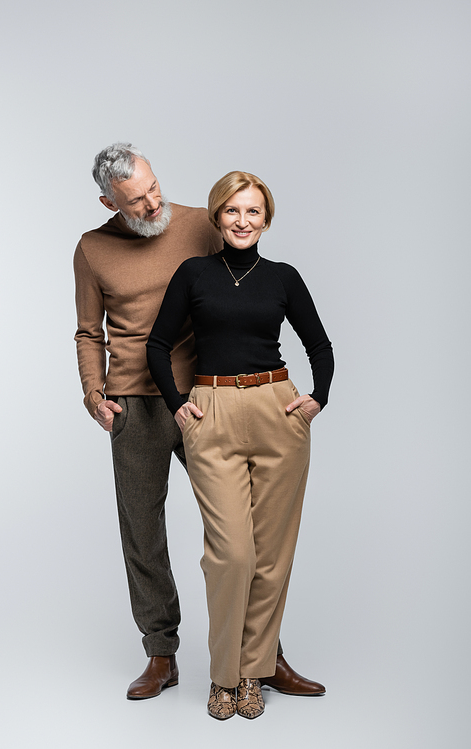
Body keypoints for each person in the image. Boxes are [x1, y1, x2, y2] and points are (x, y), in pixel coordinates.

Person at [74, 145, 323, 701]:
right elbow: (89, 330)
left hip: (206, 397)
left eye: (155, 187)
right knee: (141, 528)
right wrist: (94, 392)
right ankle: (161, 652)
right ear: (108, 200)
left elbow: (243, 274)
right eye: (136, 200)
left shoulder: (198, 225)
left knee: (244, 535)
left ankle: (263, 653)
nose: (152, 202)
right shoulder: (92, 249)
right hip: (133, 401)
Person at [147, 171, 334, 719]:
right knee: (232, 555)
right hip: (215, 410)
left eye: (253, 212)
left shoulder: (283, 277)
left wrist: (317, 397)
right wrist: (179, 402)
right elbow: (159, 344)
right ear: (216, 215)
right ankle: (222, 675)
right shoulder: (193, 272)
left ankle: (253, 674)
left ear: (266, 219)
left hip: (277, 409)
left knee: (272, 559)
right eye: (232, 211)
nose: (242, 221)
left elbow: (319, 345)